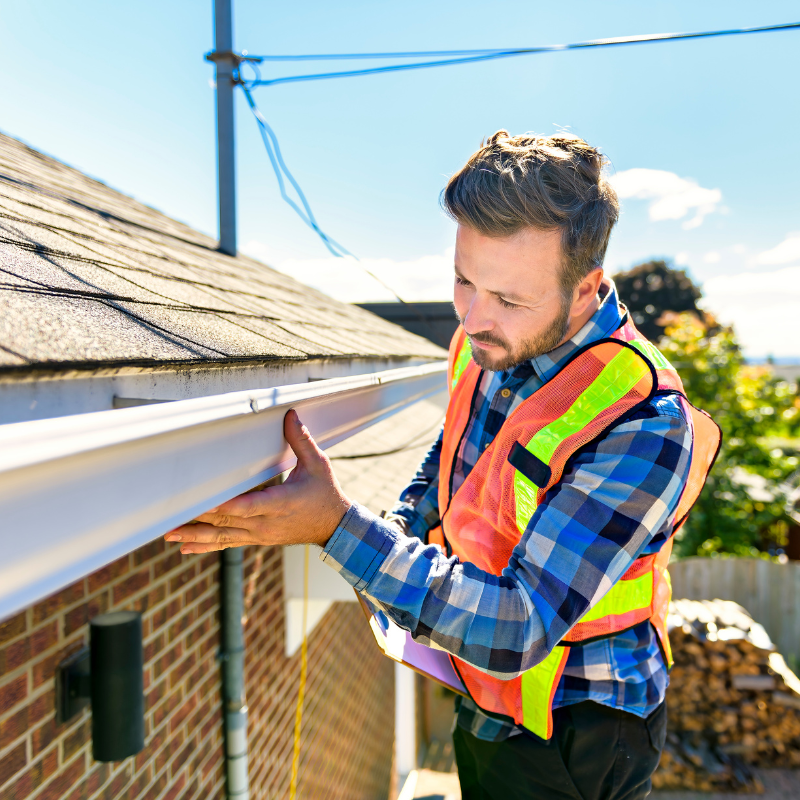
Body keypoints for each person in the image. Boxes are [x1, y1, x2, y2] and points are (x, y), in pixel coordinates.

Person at [165, 131, 720, 800]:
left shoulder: (644, 423)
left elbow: (517, 627)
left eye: (510, 299)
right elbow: (455, 449)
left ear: (586, 291)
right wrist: (401, 522)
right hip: (483, 690)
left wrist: (336, 528)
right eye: (463, 280)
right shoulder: (487, 339)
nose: (475, 317)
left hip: (578, 725)